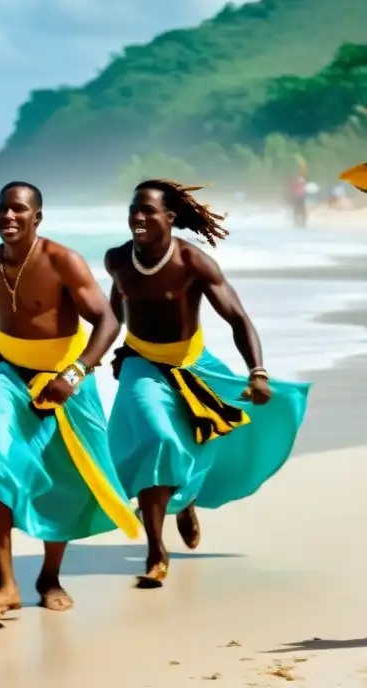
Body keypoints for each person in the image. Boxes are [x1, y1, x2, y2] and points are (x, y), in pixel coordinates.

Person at [0, 182, 141, 620]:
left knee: (63, 476)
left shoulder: (63, 261)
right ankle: (5, 585)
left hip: (65, 375)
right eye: (2, 208)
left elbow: (107, 320)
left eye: (19, 209)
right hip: (6, 372)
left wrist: (73, 375)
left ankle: (50, 576)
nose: (9, 216)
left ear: (37, 217)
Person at [104, 180, 310, 588]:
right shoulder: (117, 259)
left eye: (148, 210)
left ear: (170, 217)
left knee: (211, 437)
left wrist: (258, 372)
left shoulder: (193, 263)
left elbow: (237, 319)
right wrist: (99, 355)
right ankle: (155, 551)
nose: (138, 218)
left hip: (194, 363)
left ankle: (187, 500)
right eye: (133, 209)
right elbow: (116, 309)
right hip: (141, 363)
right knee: (158, 438)